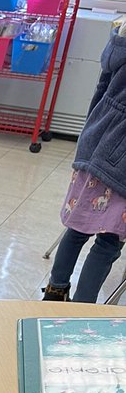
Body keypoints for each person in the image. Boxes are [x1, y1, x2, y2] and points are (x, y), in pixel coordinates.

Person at [44, 19, 126, 302]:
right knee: (109, 241)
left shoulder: (119, 39)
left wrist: (92, 133)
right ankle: (82, 306)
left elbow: (100, 90)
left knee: (78, 227)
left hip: (97, 142)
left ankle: (55, 290)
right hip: (120, 160)